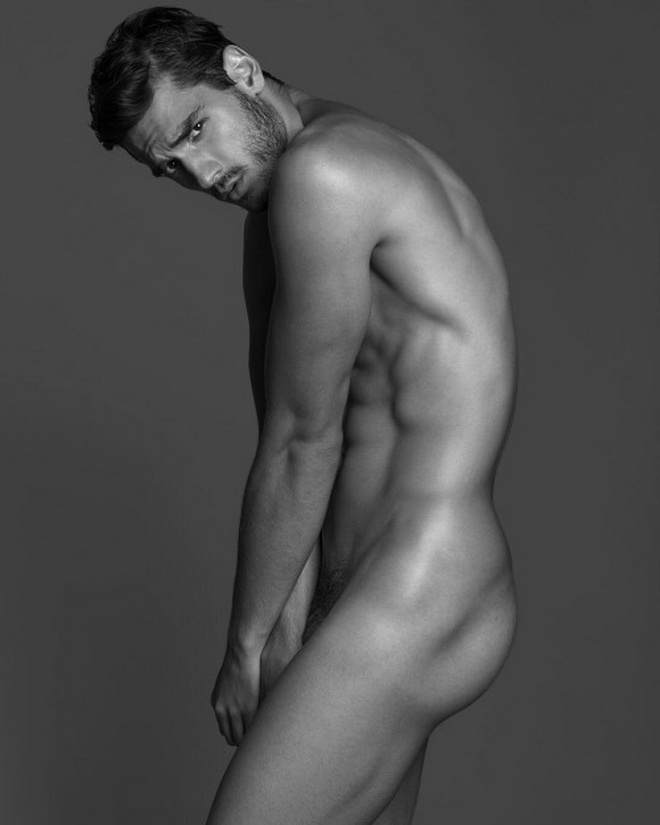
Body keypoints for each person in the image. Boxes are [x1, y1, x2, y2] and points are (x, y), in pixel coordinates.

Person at [88, 7, 518, 824]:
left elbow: (300, 446)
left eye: (196, 129)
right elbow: (289, 433)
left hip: (422, 579)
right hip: (362, 588)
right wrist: (287, 630)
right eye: (168, 165)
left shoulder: (329, 174)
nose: (199, 172)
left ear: (243, 71)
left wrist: (245, 645)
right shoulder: (277, 207)